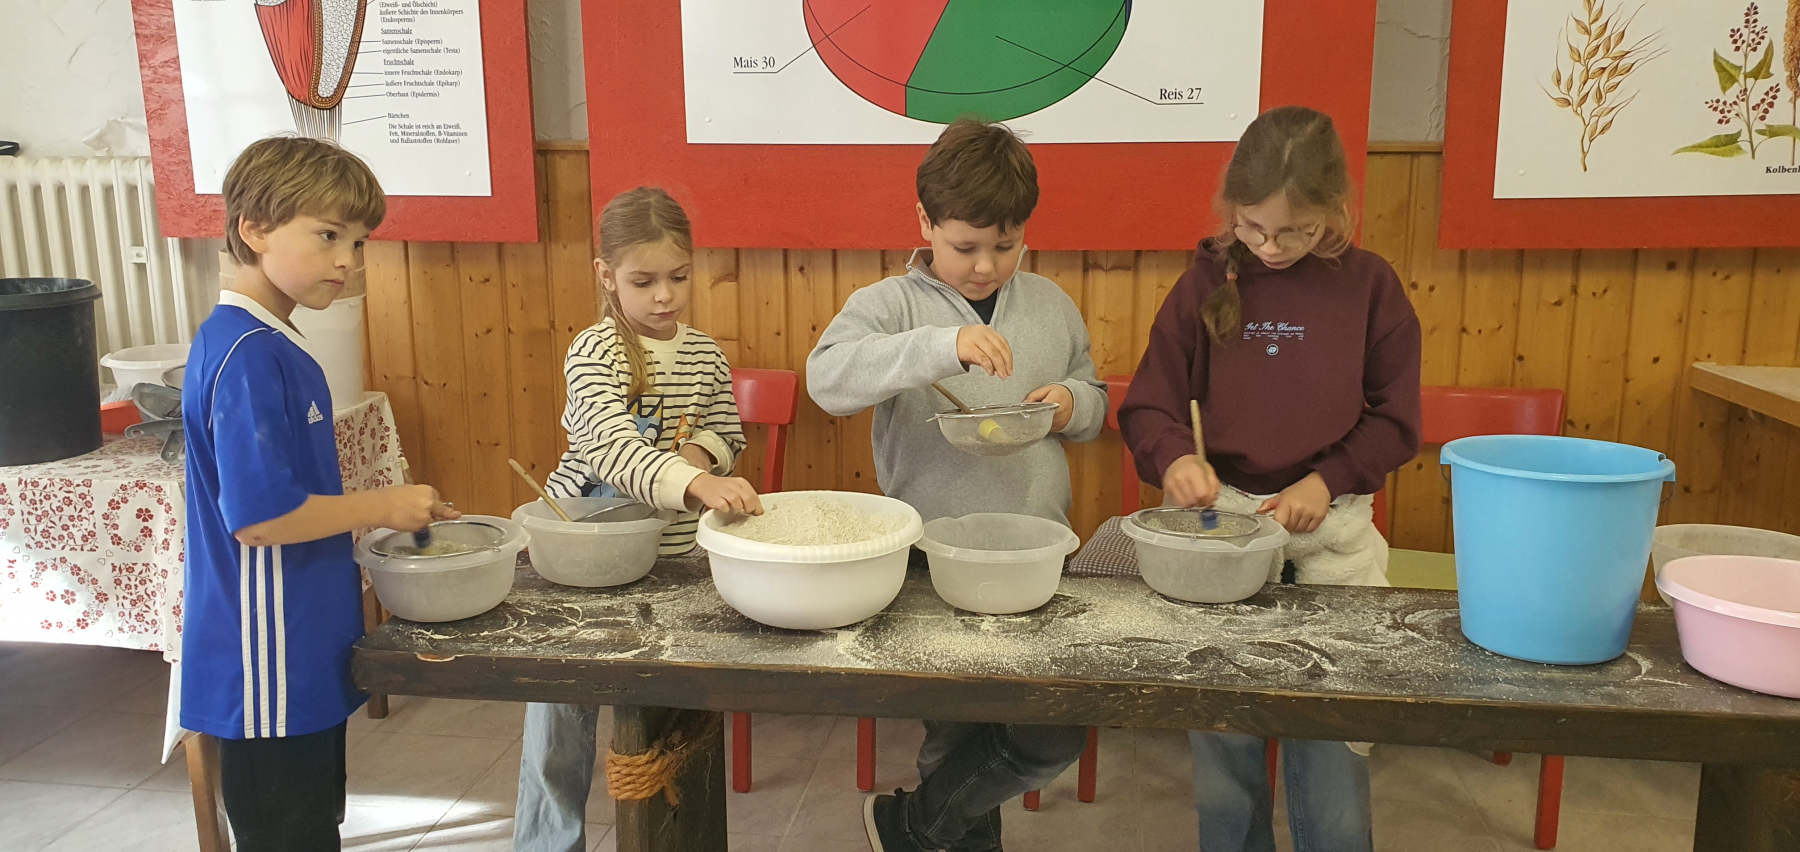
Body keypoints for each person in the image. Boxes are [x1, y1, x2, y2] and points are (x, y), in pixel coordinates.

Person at [1119, 105, 1423, 852]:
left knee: (1334, 766)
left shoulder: (1370, 287)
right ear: (1233, 209)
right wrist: (1176, 458)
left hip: (1331, 540)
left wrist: (1328, 480)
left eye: (1296, 231)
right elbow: (1149, 405)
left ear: (1335, 212)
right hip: (1222, 540)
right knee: (1225, 765)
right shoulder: (1203, 282)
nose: (1270, 247)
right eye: (1253, 227)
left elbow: (1396, 420)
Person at [807, 117, 1108, 852]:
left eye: (1005, 246)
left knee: (1053, 731)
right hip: (931, 559)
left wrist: (1071, 403)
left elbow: (1093, 399)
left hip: (1037, 554)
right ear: (925, 223)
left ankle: (908, 826)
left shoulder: (1051, 304)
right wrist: (943, 346)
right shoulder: (890, 305)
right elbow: (827, 381)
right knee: (954, 735)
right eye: (965, 246)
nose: (985, 267)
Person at [181, 136, 457, 852]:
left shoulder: (274, 340)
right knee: (289, 834)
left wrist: (384, 510)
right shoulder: (246, 354)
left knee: (312, 827)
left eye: (358, 242)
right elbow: (262, 519)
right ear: (254, 229)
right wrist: (383, 506)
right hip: (265, 658)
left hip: (297, 647)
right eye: (328, 235)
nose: (348, 260)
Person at [515, 186, 761, 852]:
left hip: (673, 557)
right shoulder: (594, 352)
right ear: (606, 276)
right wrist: (695, 481)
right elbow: (610, 448)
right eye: (643, 282)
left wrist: (702, 452)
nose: (664, 296)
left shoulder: (704, 354)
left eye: (678, 277)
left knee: (668, 723)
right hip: (583, 561)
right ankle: (547, 845)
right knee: (560, 721)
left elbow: (726, 429)